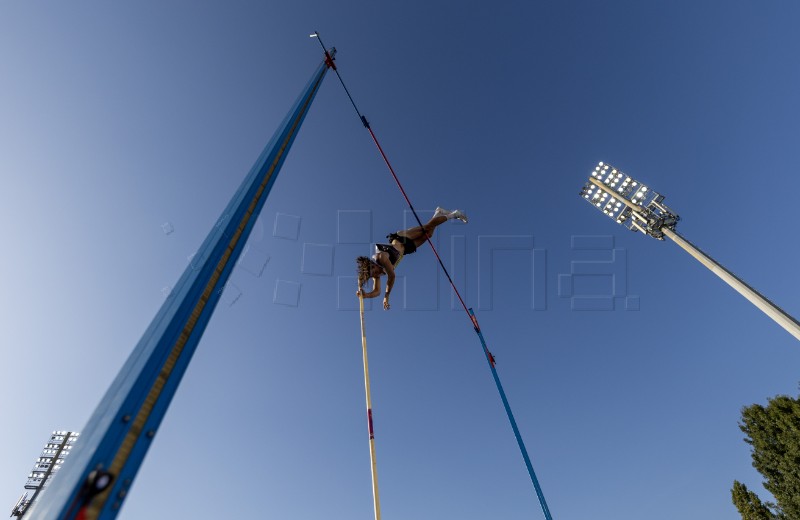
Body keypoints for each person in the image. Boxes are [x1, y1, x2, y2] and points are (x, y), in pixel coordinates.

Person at [357, 207, 468, 310]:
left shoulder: (380, 257)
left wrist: (387, 296)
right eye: (373, 273)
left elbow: (392, 276)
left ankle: (454, 214)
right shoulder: (376, 275)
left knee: (427, 228)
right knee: (428, 235)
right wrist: (366, 295)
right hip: (405, 250)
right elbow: (376, 292)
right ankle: (438, 213)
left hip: (402, 238)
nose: (375, 270)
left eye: (373, 267)